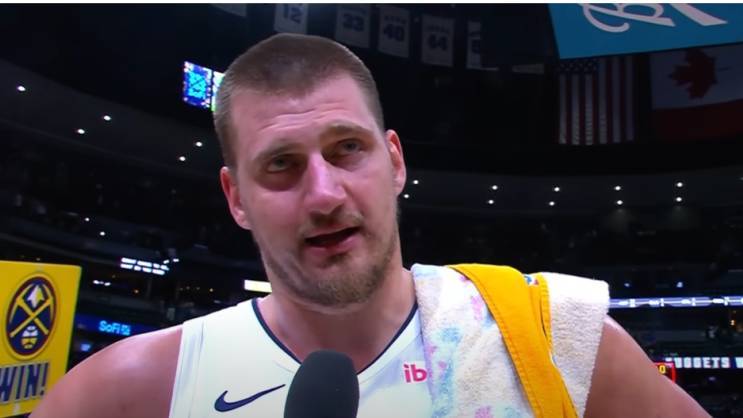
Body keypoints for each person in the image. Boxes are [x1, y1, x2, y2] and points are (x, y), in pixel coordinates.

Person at [31, 33, 709, 418]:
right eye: (281, 165)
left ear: (394, 161)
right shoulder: (129, 392)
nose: (324, 194)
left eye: (346, 149)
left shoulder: (552, 337)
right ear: (235, 198)